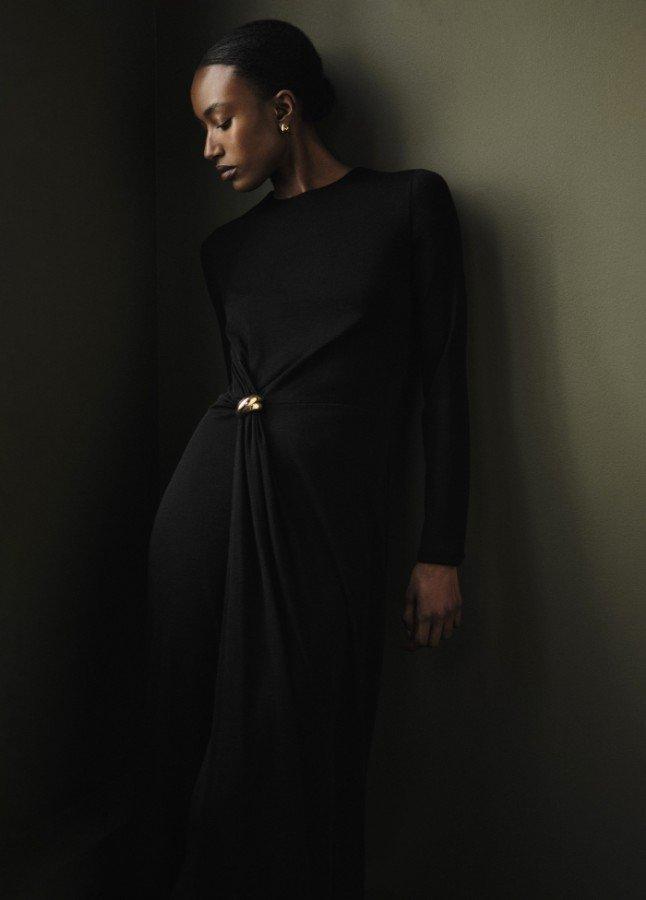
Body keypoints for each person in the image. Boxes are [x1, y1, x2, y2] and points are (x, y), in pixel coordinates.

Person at [138, 17, 470, 899]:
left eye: (222, 120)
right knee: (186, 737)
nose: (209, 147)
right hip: (207, 509)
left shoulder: (409, 205)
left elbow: (443, 384)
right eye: (203, 127)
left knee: (305, 735)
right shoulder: (225, 251)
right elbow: (244, 388)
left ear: (282, 108)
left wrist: (441, 550)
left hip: (323, 520)